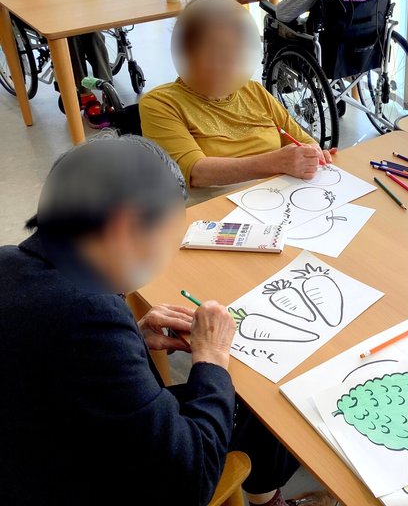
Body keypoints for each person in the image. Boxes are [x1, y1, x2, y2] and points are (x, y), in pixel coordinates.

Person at [0, 134, 331, 506]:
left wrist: (132, 338)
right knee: (248, 401)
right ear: (124, 226)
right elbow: (190, 481)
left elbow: (50, 352)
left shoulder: (9, 261)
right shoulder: (91, 313)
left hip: (33, 434)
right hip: (69, 477)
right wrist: (211, 358)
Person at [140, 0, 335, 189]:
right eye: (212, 52)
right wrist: (276, 162)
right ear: (187, 52)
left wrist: (312, 153)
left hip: (278, 195)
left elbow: (302, 139)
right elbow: (195, 173)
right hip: (218, 205)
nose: (225, 62)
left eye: (233, 51)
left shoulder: (254, 91)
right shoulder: (160, 103)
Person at [0, 0, 114, 125]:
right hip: (32, 13)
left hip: (70, 5)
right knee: (68, 35)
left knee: (92, 31)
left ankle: (106, 86)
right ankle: (83, 93)